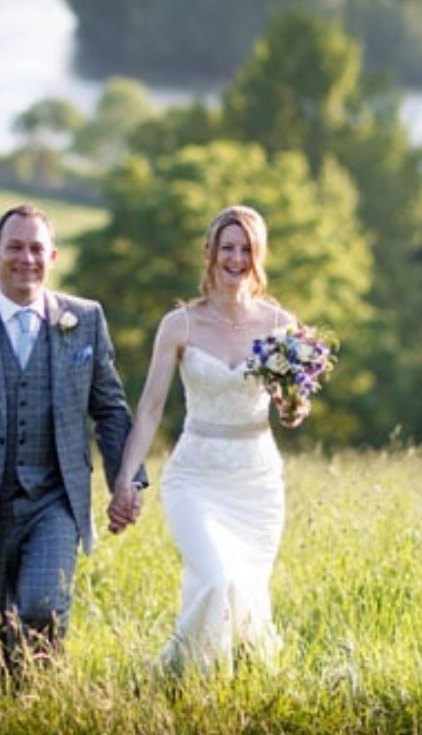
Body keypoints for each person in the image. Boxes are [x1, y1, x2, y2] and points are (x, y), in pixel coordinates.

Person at [0, 204, 145, 672]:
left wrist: (127, 481)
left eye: (37, 248)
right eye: (15, 247)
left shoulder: (85, 319)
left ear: (53, 256)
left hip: (54, 502)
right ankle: (6, 703)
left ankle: (40, 692)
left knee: (43, 606)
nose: (26, 259)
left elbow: (111, 409)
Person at [107, 205, 310, 675]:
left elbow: (293, 406)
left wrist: (294, 408)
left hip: (256, 481)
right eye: (227, 248)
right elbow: (151, 407)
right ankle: (179, 675)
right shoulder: (180, 324)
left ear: (258, 256)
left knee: (246, 587)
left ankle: (236, 678)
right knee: (217, 579)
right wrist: (125, 478)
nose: (236, 259)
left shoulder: (281, 325)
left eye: (246, 249)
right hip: (196, 477)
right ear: (210, 254)